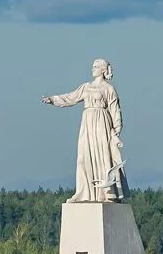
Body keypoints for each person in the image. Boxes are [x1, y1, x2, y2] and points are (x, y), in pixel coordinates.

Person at [42, 59, 128, 202]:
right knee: (84, 157)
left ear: (103, 70)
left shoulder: (108, 89)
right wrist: (53, 100)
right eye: (92, 67)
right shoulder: (86, 87)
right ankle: (84, 192)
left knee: (103, 156)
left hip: (102, 123)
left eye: (95, 67)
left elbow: (115, 110)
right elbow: (71, 97)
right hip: (87, 123)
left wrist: (116, 132)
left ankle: (106, 193)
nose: (92, 69)